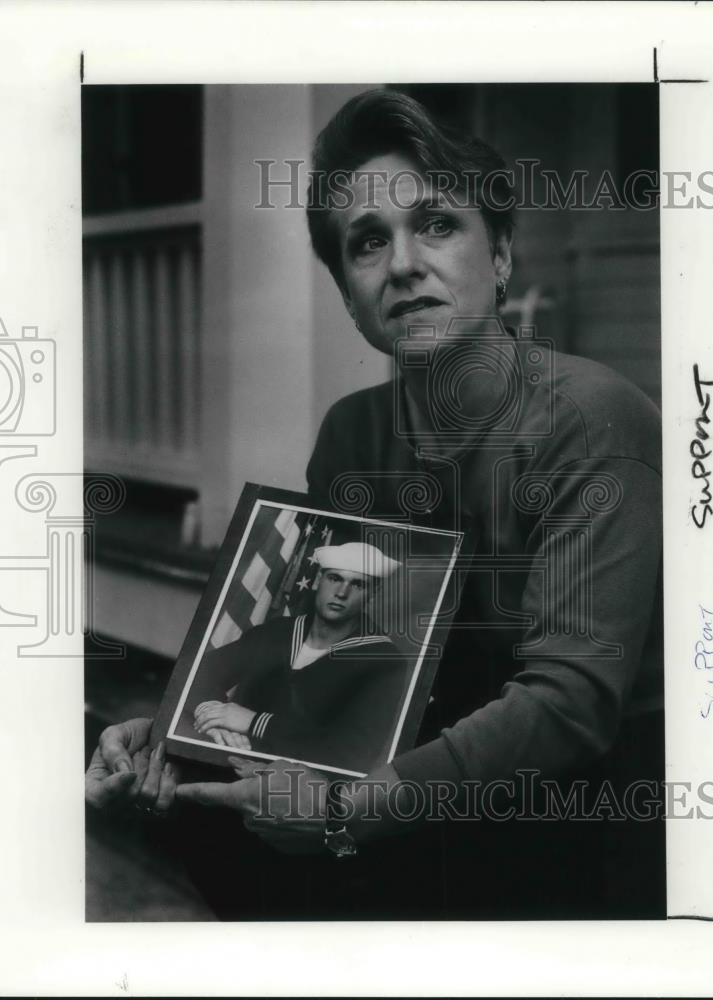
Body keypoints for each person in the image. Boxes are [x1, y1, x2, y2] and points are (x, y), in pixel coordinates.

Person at [86, 88, 664, 919]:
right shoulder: (353, 433)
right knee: (217, 822)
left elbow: (568, 710)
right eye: (367, 243)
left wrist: (355, 808)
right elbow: (339, 655)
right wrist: (181, 739)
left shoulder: (589, 420)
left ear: (500, 255)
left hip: (580, 801)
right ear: (351, 298)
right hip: (430, 761)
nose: (402, 264)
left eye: (437, 225)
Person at [189, 542, 407, 774]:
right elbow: (197, 672)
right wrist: (212, 714)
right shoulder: (277, 632)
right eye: (334, 578)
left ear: (373, 594)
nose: (342, 593)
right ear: (317, 580)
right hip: (225, 761)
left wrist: (255, 722)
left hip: (294, 789)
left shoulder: (383, 663)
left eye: (358, 585)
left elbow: (350, 756)